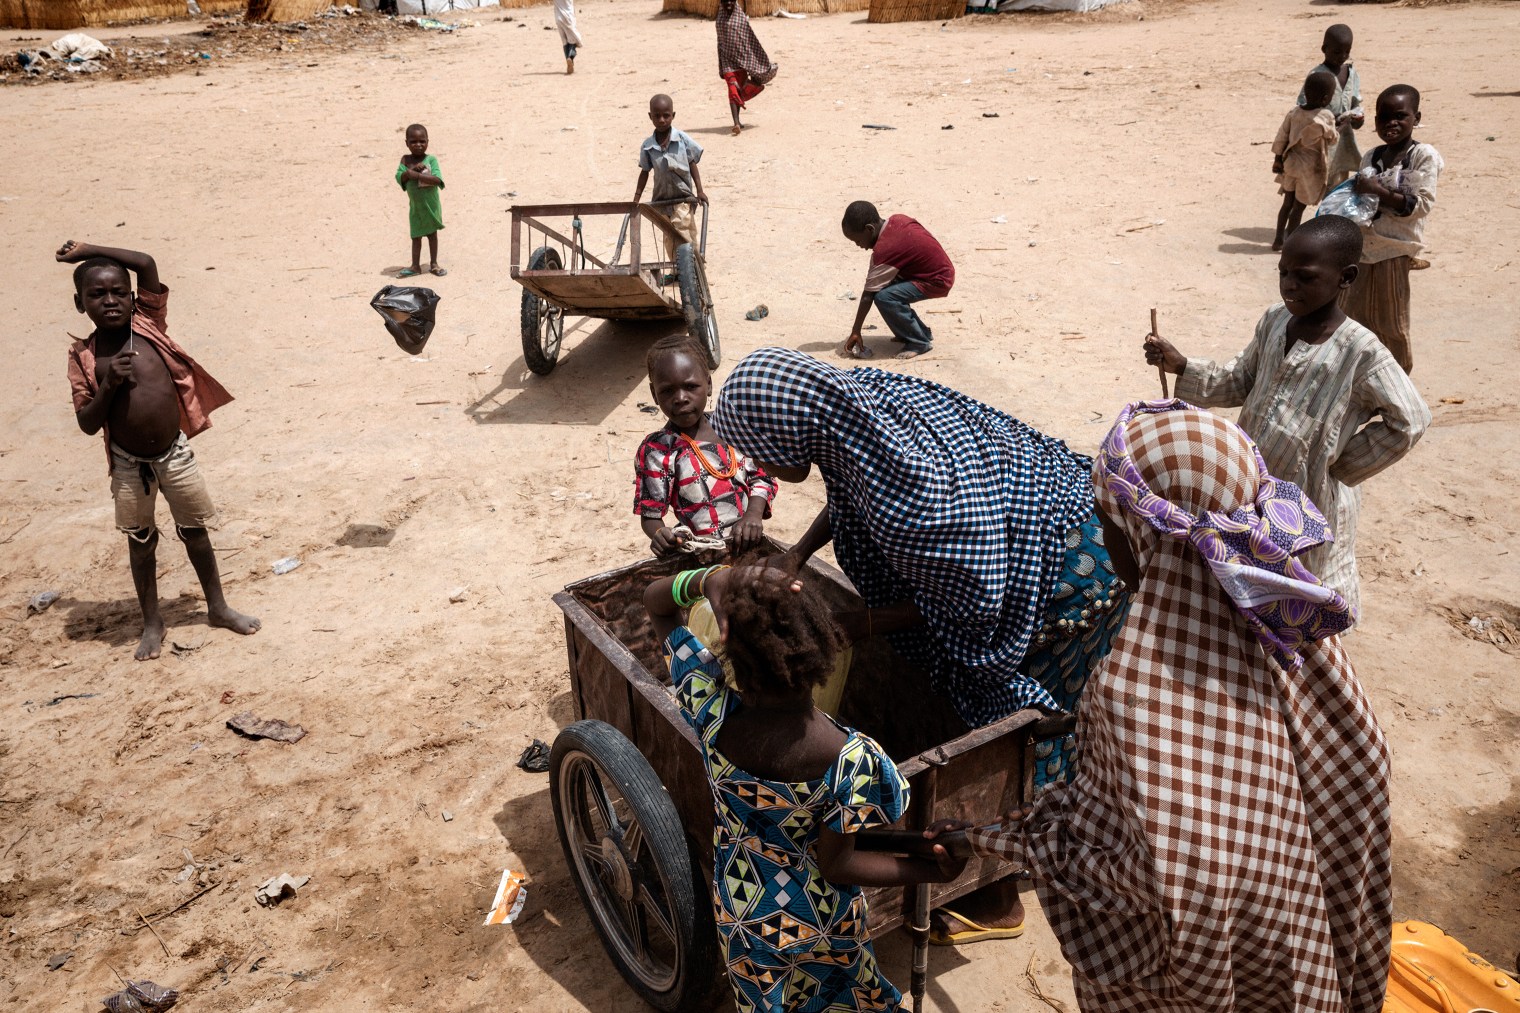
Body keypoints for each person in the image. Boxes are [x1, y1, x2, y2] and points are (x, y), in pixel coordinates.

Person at [963, 400, 1393, 1013]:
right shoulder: (1303, 635)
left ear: (1142, 536)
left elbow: (1130, 874)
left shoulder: (1134, 694)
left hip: (1198, 984)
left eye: (1107, 514)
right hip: (1303, 956)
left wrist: (1003, 837)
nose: (1100, 527)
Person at [710, 346, 1132, 944]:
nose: (759, 462)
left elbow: (977, 604)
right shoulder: (853, 407)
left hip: (1065, 571)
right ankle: (1055, 817)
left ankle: (996, 889)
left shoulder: (926, 508)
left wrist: (865, 624)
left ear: (789, 430)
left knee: (1013, 722)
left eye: (758, 446)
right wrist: (797, 553)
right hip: (1037, 521)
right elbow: (854, 484)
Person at [643, 560, 969, 1011]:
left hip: (745, 917)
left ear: (729, 651)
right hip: (825, 922)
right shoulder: (852, 758)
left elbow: (657, 606)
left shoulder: (708, 709)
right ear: (823, 650)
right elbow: (838, 864)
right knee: (850, 998)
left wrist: (708, 578)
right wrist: (932, 870)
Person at [1145, 214, 1430, 620]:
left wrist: (1340, 466)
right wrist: (1183, 366)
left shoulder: (1361, 352)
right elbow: (1240, 379)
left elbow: (1411, 420)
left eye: (1305, 276)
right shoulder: (1276, 322)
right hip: (1250, 484)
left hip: (1309, 500)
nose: (1289, 286)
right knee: (1246, 575)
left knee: (1299, 589)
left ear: (1345, 277)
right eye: (1283, 274)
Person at [58, 240, 260, 661]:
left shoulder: (148, 324)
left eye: (118, 292)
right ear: (80, 303)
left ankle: (218, 607)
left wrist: (87, 249)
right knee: (140, 539)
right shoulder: (83, 358)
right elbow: (86, 422)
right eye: (97, 295)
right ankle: (153, 622)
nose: (109, 301)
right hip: (129, 464)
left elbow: (147, 263)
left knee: (195, 529)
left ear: (133, 299)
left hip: (174, 452)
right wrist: (109, 382)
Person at [635, 336, 777, 556]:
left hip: (750, 544)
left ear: (709, 385)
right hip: (700, 552)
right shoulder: (658, 450)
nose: (680, 398)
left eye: (690, 386)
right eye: (667, 391)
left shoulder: (733, 426)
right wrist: (661, 534)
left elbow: (762, 476)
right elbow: (650, 514)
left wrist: (753, 515)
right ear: (654, 394)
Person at [1340, 84, 1443, 373]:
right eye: (1383, 117)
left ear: (1416, 118)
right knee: (1352, 318)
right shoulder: (1371, 156)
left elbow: (1420, 205)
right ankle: (1359, 381)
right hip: (1362, 249)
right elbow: (1360, 201)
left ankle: (1397, 386)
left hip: (1395, 250)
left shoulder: (1424, 156)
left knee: (1391, 323)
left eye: (1400, 116)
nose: (1391, 123)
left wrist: (1379, 192)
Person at [840, 202, 954, 361]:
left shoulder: (885, 250)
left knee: (884, 297)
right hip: (938, 269)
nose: (859, 245)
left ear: (869, 229)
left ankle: (919, 342)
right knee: (885, 290)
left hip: (937, 279)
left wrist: (856, 330)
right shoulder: (897, 219)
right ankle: (919, 332)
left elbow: (868, 294)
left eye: (857, 241)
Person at [632, 94, 707, 262]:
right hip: (661, 200)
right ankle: (677, 269)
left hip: (683, 198)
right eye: (657, 116)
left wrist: (700, 191)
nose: (662, 120)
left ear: (673, 115)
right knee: (668, 237)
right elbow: (644, 171)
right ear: (650, 116)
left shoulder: (682, 139)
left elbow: (692, 162)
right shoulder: (647, 146)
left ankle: (693, 268)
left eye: (666, 115)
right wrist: (636, 199)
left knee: (684, 231)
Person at [1273, 71, 1339, 251]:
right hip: (1309, 169)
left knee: (1287, 204)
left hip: (1291, 165)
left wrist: (1277, 158)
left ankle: (1278, 239)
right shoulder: (1325, 116)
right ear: (1326, 98)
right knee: (1298, 208)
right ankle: (1291, 245)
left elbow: (1282, 136)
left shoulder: (1294, 113)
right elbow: (1333, 139)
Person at [1300, 23, 1364, 195]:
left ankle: (1331, 220)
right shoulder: (1317, 76)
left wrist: (1358, 117)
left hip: (1343, 142)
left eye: (1347, 51)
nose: (1342, 56)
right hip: (1321, 142)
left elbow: (1355, 102)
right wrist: (1330, 121)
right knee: (1315, 185)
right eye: (1337, 52)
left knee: (1339, 185)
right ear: (1324, 49)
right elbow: (1303, 107)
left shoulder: (1351, 73)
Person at [716, 0, 777, 136]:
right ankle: (736, 123)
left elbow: (749, 40)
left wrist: (751, 61)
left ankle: (738, 121)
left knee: (738, 89)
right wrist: (721, 64)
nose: (729, 3)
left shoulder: (741, 18)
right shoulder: (720, 21)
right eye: (726, 1)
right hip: (728, 63)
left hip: (742, 62)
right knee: (732, 89)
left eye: (732, 0)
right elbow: (720, 43)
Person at [395, 123, 446, 277]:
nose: (418, 145)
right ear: (407, 143)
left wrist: (418, 175)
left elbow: (437, 180)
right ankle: (415, 266)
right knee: (416, 236)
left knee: (432, 234)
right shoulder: (405, 160)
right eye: (413, 142)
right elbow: (400, 177)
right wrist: (409, 172)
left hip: (430, 205)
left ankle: (434, 263)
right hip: (416, 206)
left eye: (422, 141)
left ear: (427, 142)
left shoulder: (431, 160)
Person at [553, 0, 582, 74]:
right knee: (573, 40)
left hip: (558, 18)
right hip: (568, 17)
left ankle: (568, 61)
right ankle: (570, 58)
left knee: (564, 42)